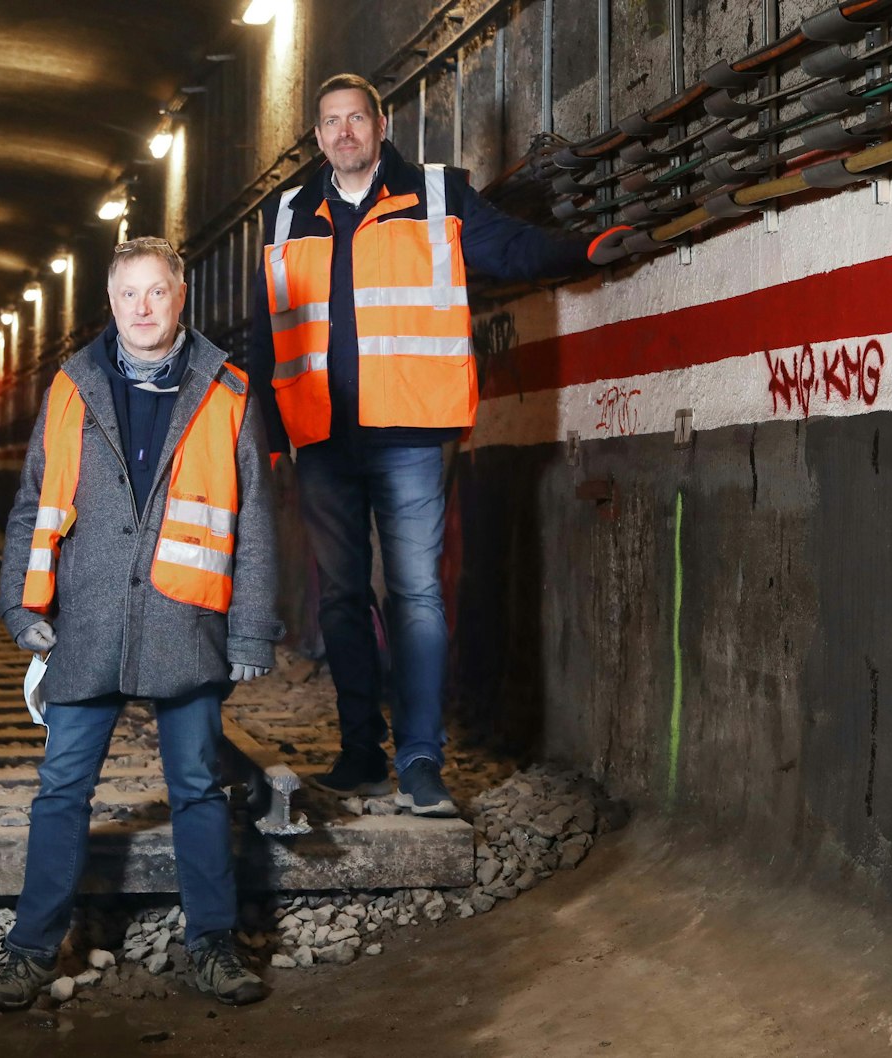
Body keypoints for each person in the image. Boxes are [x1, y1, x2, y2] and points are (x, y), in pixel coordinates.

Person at [249, 74, 629, 816]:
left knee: (418, 593)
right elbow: (271, 327)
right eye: (331, 122)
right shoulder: (288, 211)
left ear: (381, 124)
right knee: (342, 600)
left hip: (413, 431)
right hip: (322, 437)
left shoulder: (436, 193)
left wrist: (581, 251)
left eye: (357, 117)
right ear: (318, 137)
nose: (345, 132)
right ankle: (361, 753)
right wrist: (269, 431)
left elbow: (511, 249)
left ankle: (421, 761)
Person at [0, 237, 283, 1010]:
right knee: (60, 791)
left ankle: (212, 946)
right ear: (111, 303)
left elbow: (253, 521)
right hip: (86, 619)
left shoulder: (227, 389)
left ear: (180, 297)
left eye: (156, 293)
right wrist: (19, 604)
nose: (142, 309)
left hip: (184, 618)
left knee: (197, 787)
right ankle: (30, 951)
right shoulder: (72, 386)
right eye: (128, 296)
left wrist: (250, 631)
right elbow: (31, 505)